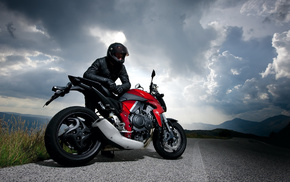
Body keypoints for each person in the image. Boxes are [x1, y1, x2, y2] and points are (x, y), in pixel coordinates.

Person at [83, 42, 131, 111]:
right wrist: (107, 80)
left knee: (116, 110)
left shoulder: (121, 67)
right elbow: (87, 74)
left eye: (122, 55)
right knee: (90, 112)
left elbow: (127, 83)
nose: (120, 57)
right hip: (94, 90)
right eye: (118, 55)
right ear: (111, 53)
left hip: (108, 93)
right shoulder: (100, 61)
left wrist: (121, 87)